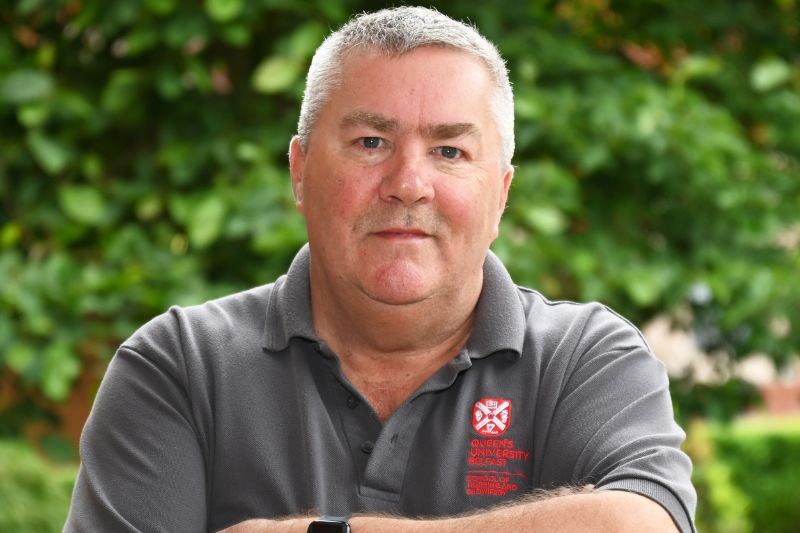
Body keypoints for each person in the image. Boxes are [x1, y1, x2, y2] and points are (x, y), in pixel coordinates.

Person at [64, 6, 696, 533]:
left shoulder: (587, 358)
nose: (408, 184)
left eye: (450, 150)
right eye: (372, 143)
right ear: (301, 172)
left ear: (500, 194)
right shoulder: (177, 366)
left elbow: (640, 525)